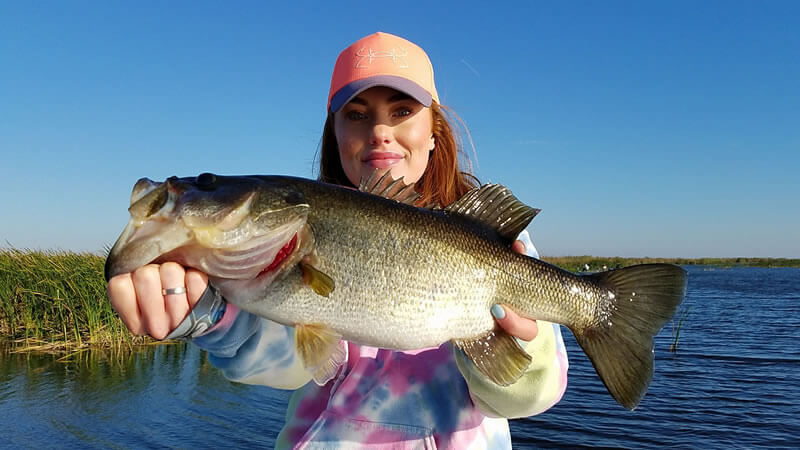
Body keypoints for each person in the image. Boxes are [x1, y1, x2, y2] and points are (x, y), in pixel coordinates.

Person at [108, 31, 568, 449]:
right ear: (336, 134)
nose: (380, 132)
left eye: (402, 111)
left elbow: (531, 397)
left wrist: (522, 348)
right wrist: (208, 314)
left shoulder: (500, 243)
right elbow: (290, 365)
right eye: (357, 115)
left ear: (434, 133)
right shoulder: (269, 255)